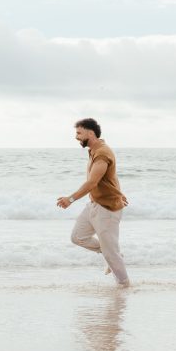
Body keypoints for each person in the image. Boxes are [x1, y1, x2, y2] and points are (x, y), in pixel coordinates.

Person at [57, 118, 130, 287]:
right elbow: (110, 176)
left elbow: (92, 182)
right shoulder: (94, 150)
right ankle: (112, 254)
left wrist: (70, 199)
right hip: (94, 204)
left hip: (107, 209)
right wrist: (119, 192)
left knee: (111, 254)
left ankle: (124, 286)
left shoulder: (102, 153)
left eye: (79, 133)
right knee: (77, 237)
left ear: (90, 133)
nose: (76, 137)